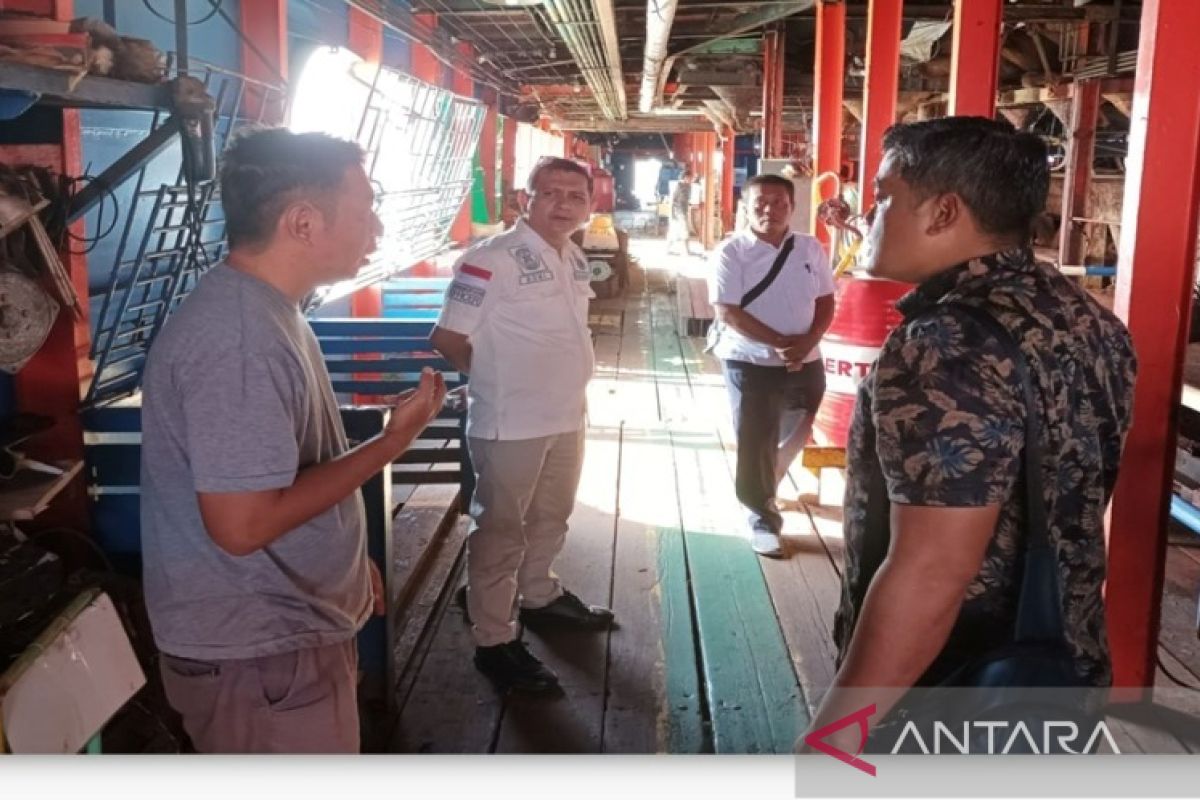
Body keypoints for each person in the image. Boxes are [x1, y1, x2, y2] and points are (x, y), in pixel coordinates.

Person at [799, 117, 1137, 750]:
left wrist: (835, 739)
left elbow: (931, 571)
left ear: (942, 212)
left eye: (884, 196)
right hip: (1062, 656)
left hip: (953, 687)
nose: (871, 214)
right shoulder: (1085, 318)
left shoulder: (943, 344)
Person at [140, 128, 447, 753]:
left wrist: (343, 567)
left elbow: (291, 470)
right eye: (366, 210)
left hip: (282, 631)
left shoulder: (271, 309)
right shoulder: (241, 338)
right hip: (259, 654)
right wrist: (393, 442)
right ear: (304, 222)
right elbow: (243, 526)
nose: (378, 229)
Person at [430, 157, 614, 694]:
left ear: (591, 204)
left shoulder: (573, 256)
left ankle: (539, 594)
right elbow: (446, 337)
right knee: (501, 531)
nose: (563, 204)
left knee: (553, 514)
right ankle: (493, 638)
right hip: (510, 422)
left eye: (575, 195)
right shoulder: (491, 260)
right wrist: (492, 379)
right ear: (523, 199)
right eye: (549, 193)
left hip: (566, 416)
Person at [708, 174, 836, 558]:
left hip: (805, 360)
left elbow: (827, 301)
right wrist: (782, 345)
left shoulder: (810, 248)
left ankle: (766, 485)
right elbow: (727, 312)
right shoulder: (731, 253)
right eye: (761, 203)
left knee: (798, 426)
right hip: (750, 359)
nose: (771, 210)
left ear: (793, 209)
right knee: (755, 438)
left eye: (780, 203)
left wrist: (807, 343)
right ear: (744, 208)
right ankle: (761, 517)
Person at [668, 169, 700, 256]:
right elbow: (673, 200)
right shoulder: (679, 186)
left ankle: (669, 249)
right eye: (689, 178)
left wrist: (691, 205)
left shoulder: (689, 186)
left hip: (684, 210)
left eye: (691, 178)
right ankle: (686, 251)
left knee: (677, 231)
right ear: (685, 177)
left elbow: (687, 199)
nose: (690, 179)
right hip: (678, 211)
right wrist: (672, 214)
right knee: (683, 230)